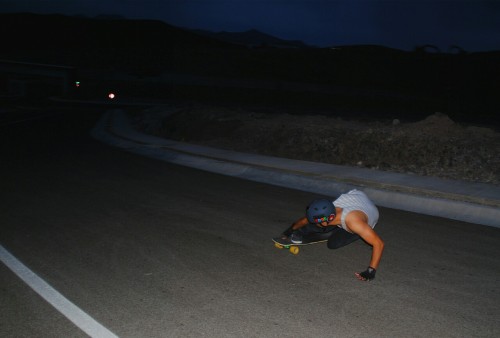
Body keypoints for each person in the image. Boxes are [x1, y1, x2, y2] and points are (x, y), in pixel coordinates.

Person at [282, 189, 384, 281]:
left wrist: (371, 271)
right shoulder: (328, 207)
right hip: (357, 196)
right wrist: (289, 231)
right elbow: (304, 220)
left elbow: (379, 244)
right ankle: (328, 229)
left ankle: (351, 233)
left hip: (369, 214)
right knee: (317, 226)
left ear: (326, 221)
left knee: (333, 244)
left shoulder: (354, 223)